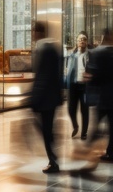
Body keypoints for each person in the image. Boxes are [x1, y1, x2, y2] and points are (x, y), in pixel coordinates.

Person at [86, 28, 113, 163]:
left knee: (97, 123)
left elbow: (96, 75)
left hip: (103, 96)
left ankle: (87, 148)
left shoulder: (98, 53)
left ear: (103, 36)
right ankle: (112, 153)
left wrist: (90, 81)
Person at [29, 21, 63, 173]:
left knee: (45, 129)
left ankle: (53, 161)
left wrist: (35, 97)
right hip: (52, 96)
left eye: (33, 31)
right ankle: (53, 156)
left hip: (45, 97)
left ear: (37, 33)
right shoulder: (53, 49)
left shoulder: (43, 49)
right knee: (47, 128)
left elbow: (41, 77)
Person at [65, 32, 90, 140]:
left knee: (84, 110)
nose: (82, 41)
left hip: (85, 87)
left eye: (84, 39)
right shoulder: (72, 55)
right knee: (71, 109)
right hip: (74, 86)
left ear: (87, 42)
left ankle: (84, 133)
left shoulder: (90, 55)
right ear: (77, 41)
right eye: (80, 39)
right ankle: (75, 126)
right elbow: (68, 71)